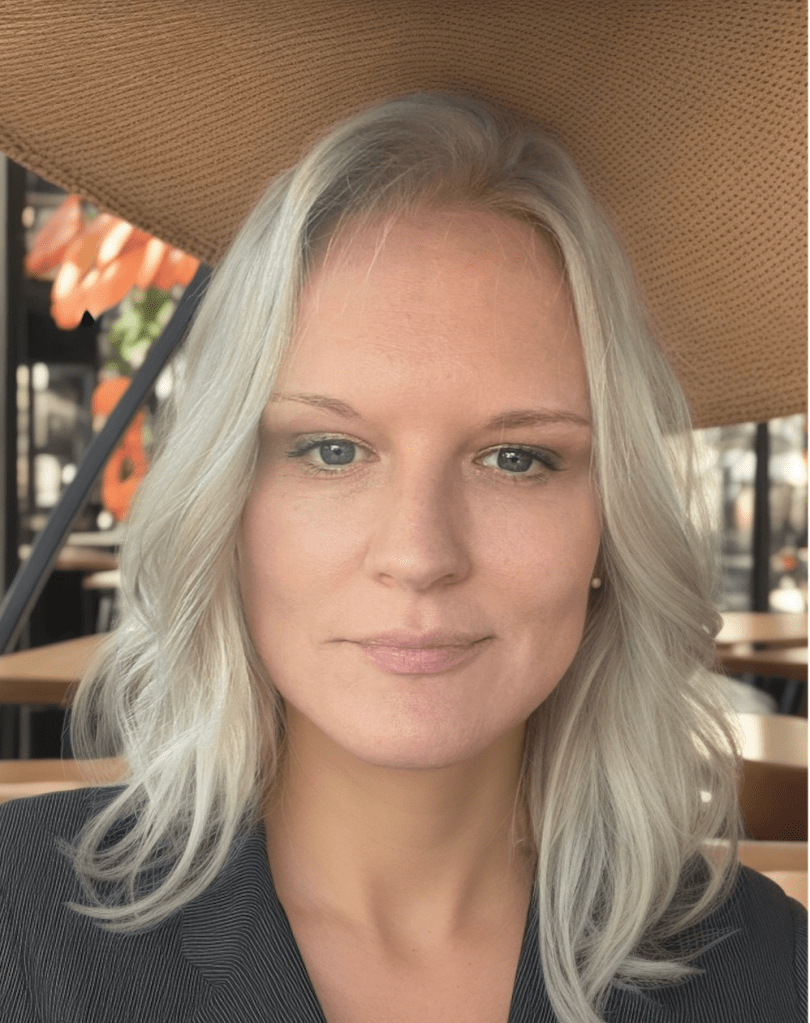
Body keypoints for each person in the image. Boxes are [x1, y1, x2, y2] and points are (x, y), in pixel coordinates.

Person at [0, 92, 805, 1023]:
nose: (420, 553)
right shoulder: (19, 927)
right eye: (332, 449)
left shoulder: (770, 974)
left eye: (517, 458)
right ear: (230, 504)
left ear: (611, 526)